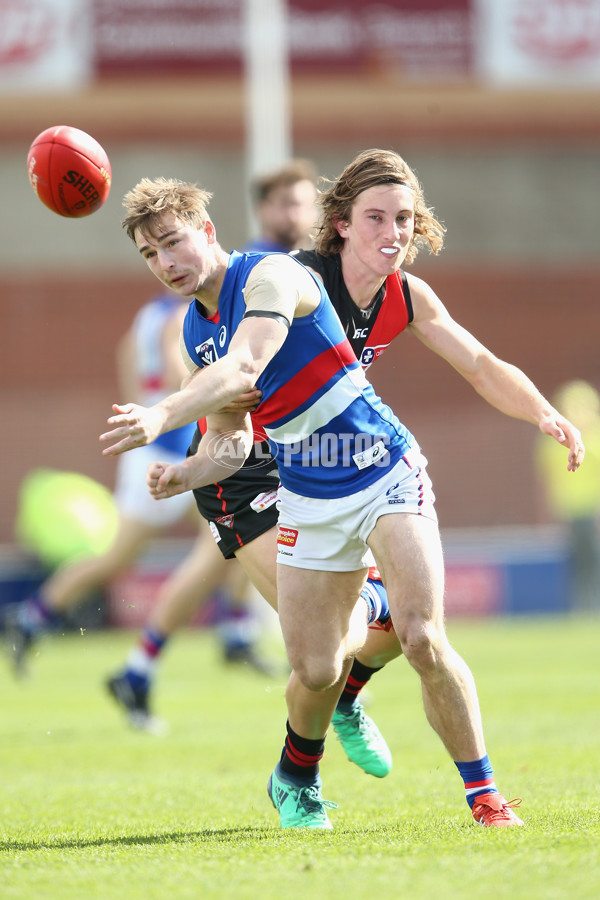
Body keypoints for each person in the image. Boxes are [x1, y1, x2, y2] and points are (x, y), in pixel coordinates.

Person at [98, 156, 584, 831]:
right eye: (151, 253)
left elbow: (249, 363)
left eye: (173, 241)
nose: (165, 261)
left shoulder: (274, 276)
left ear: (208, 231)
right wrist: (186, 472)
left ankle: (486, 797)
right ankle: (326, 710)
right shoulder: (194, 333)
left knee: (422, 638)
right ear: (343, 226)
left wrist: (157, 415)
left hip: (383, 463)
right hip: (300, 485)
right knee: (320, 666)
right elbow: (234, 440)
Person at [5, 292, 265, 723]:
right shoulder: (186, 314)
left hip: (152, 450)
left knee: (127, 556)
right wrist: (221, 386)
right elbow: (171, 366)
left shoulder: (152, 311)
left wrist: (142, 413)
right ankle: (221, 636)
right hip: (171, 454)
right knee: (229, 541)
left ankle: (34, 616)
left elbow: (128, 353)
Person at [536, 379, 600, 612]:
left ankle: (582, 607)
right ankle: (588, 607)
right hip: (585, 511)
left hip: (572, 511)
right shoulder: (594, 438)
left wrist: (545, 515)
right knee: (588, 562)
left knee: (579, 563)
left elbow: (544, 483)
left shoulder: (554, 441)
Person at [243, 158, 319, 254]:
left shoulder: (321, 263)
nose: (295, 216)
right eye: (286, 204)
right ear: (262, 209)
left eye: (304, 205)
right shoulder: (253, 263)